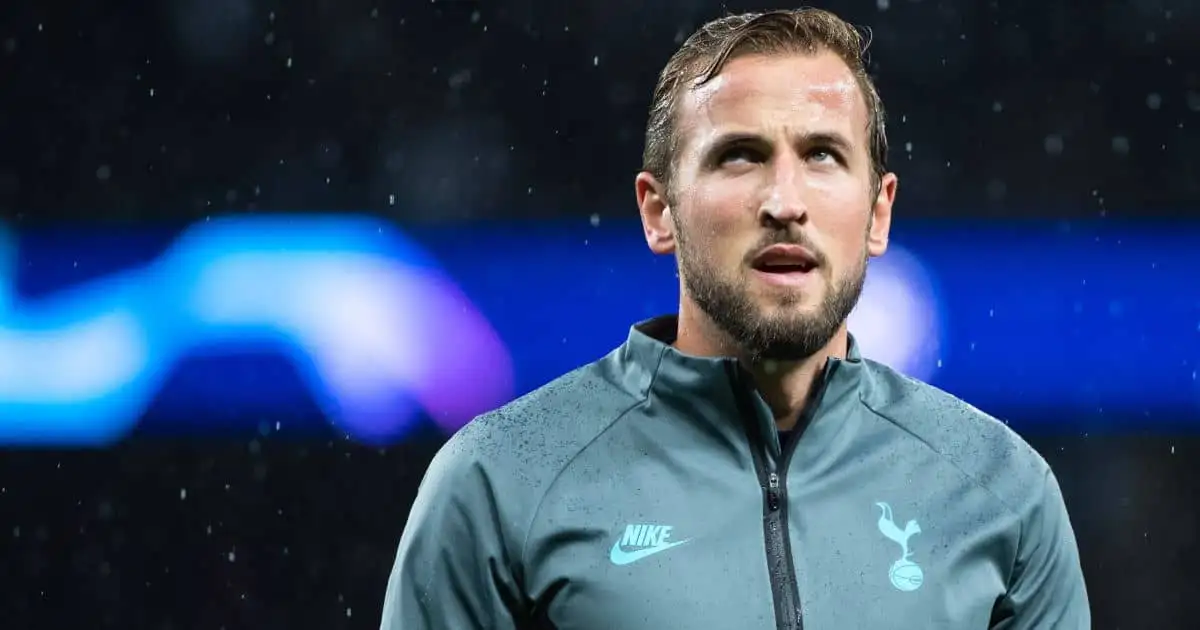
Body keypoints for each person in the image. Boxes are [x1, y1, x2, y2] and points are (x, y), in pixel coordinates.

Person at [381, 8, 1090, 629]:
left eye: (822, 155)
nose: (785, 202)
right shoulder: (501, 480)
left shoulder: (1002, 490)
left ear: (879, 213)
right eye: (740, 156)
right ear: (659, 211)